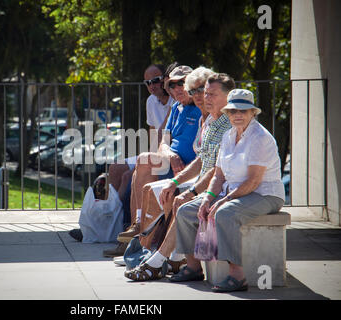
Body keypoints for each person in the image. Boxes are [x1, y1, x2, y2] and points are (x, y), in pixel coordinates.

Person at [124, 72, 235, 281]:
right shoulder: (211, 120)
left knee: (179, 202)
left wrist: (190, 190)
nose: (202, 97)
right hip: (202, 178)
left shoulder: (227, 124)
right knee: (163, 190)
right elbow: (201, 161)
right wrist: (176, 181)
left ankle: (160, 259)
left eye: (208, 93)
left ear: (227, 96)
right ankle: (162, 254)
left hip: (225, 187)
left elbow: (216, 171)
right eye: (196, 92)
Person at [174, 88, 285, 292]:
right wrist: (208, 198)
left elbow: (253, 181)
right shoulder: (228, 136)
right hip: (235, 192)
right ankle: (193, 267)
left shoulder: (260, 138)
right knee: (186, 211)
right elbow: (218, 175)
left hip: (264, 194)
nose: (238, 115)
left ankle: (237, 275)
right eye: (233, 111)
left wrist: (223, 201)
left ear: (253, 113)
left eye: (243, 111)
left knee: (225, 213)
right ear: (227, 113)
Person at [117, 65, 201, 248]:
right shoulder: (177, 107)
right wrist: (171, 155)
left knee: (142, 167)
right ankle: (137, 229)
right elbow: (162, 142)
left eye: (182, 83)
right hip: (172, 164)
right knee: (140, 165)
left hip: (192, 168)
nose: (177, 88)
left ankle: (139, 239)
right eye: (172, 85)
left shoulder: (202, 107)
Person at [99, 64, 175, 257]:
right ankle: (111, 227)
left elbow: (166, 137)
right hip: (156, 150)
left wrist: (145, 163)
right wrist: (146, 159)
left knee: (128, 177)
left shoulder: (177, 99)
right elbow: (153, 136)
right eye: (147, 82)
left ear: (166, 79)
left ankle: (127, 237)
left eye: (156, 80)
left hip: (169, 152)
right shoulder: (151, 101)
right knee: (116, 168)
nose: (152, 86)